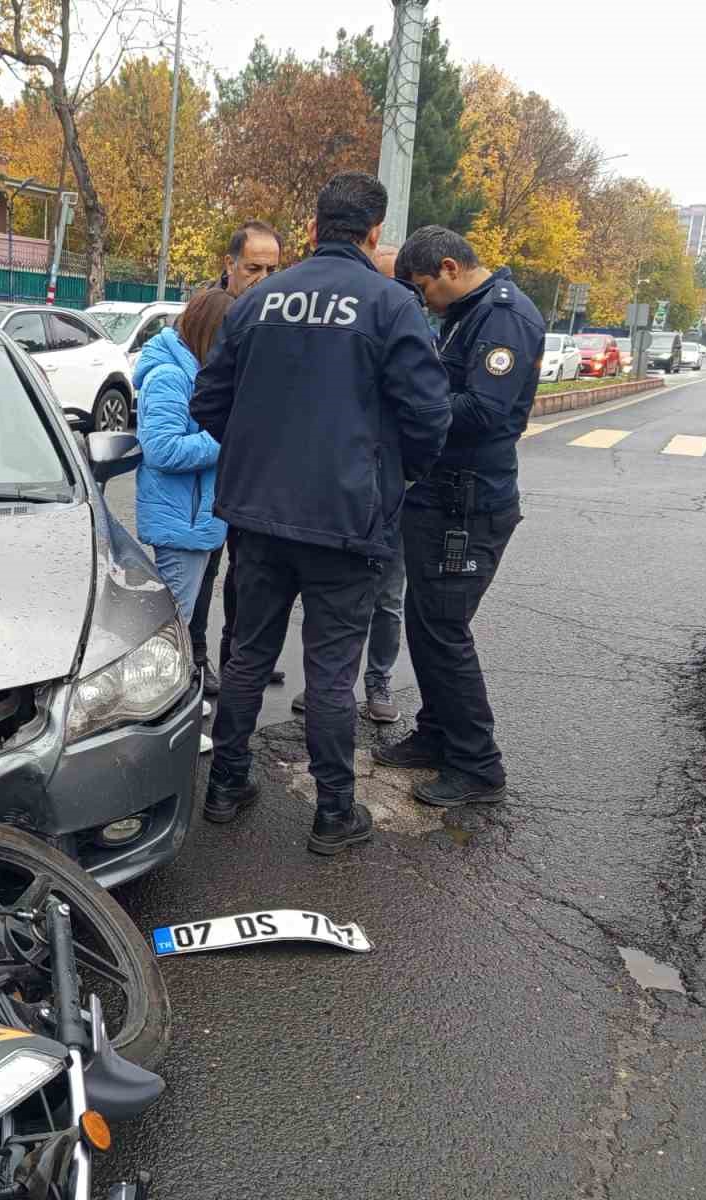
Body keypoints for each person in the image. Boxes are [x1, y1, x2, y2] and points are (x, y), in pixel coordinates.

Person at [191, 172, 451, 855]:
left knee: (247, 656)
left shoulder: (257, 301)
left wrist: (258, 459)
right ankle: (334, 813)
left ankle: (225, 785)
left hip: (257, 517)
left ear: (311, 229)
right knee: (332, 673)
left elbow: (207, 402)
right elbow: (429, 417)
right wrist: (391, 476)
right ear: (374, 235)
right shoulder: (393, 306)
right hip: (346, 520)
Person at [376, 225, 545, 807]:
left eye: (423, 288)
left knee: (445, 630)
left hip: (468, 504)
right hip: (443, 494)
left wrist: (410, 406)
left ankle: (478, 766)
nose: (423, 301)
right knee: (427, 625)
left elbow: (485, 409)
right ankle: (438, 732)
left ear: (449, 268)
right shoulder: (468, 313)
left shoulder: (503, 319)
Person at [292, 241, 407, 725]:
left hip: (392, 491)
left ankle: (377, 679)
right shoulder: (350, 332)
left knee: (386, 597)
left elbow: (425, 414)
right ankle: (324, 685)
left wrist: (405, 473)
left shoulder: (409, 326)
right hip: (343, 490)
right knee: (330, 597)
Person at [132, 288, 235, 754]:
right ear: (207, 332)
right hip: (181, 523)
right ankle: (172, 725)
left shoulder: (194, 370)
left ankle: (180, 702)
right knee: (171, 631)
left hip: (195, 520)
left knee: (179, 620)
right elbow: (163, 449)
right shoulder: (171, 376)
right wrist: (227, 440)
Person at [193, 219, 286, 695]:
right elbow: (206, 401)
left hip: (257, 482)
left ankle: (240, 658)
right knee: (205, 575)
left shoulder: (280, 316)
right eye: (254, 267)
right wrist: (240, 443)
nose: (264, 279)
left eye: (273, 268)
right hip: (219, 478)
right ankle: (200, 659)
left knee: (245, 580)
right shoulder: (210, 313)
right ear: (229, 265)